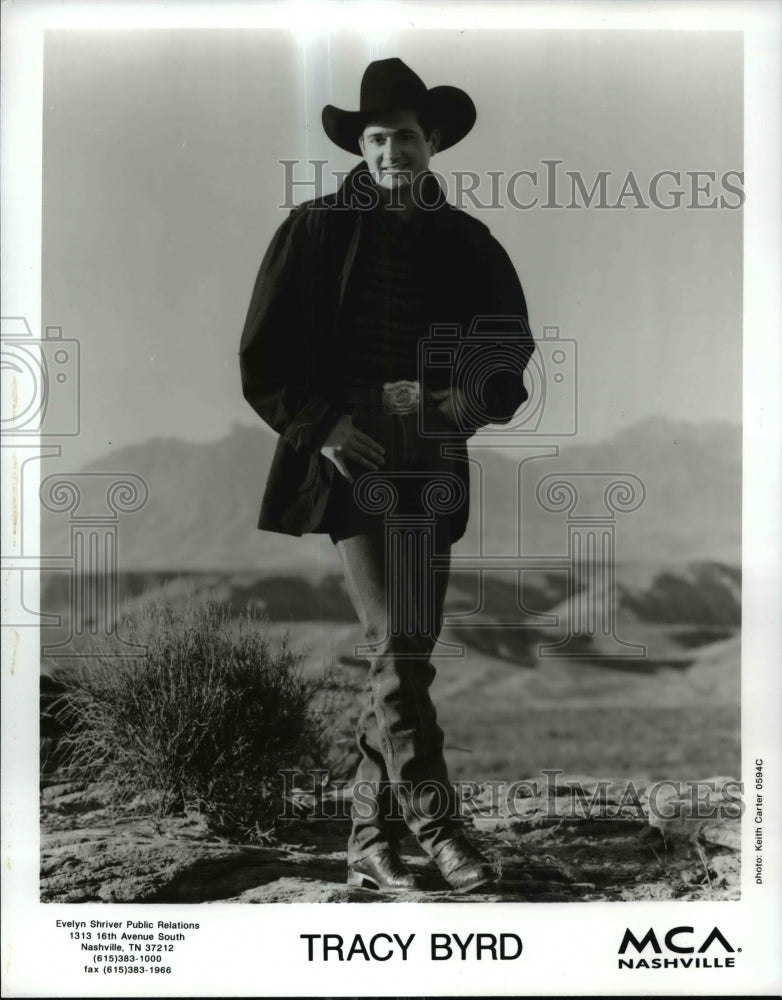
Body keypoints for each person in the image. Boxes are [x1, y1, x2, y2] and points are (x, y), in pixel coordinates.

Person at [239, 57, 535, 893]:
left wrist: (453, 402)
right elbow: (265, 361)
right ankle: (441, 832)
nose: (391, 151)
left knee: (400, 655)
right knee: (400, 650)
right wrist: (326, 426)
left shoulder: (468, 243)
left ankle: (369, 842)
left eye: (405, 136)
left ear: (431, 140)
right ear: (360, 145)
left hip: (431, 461)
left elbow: (508, 358)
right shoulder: (315, 229)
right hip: (353, 464)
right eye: (376, 138)